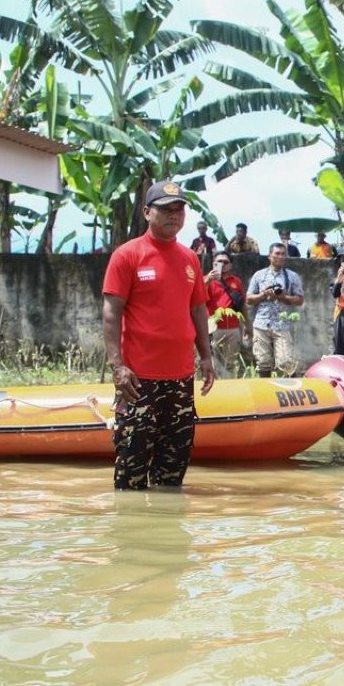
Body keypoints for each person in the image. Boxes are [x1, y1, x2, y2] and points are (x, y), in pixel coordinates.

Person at [102, 180, 216, 490]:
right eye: (166, 210)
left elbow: (198, 311)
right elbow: (111, 313)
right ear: (147, 212)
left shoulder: (190, 259)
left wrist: (206, 356)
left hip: (180, 381)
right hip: (139, 381)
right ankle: (131, 533)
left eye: (179, 210)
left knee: (173, 472)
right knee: (131, 471)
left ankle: (168, 532)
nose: (174, 216)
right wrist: (117, 366)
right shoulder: (128, 255)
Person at [246, 243, 304, 377]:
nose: (281, 257)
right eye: (277, 253)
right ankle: (265, 394)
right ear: (269, 256)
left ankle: (288, 391)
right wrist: (263, 295)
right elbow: (248, 299)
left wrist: (282, 297)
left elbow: (300, 300)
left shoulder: (292, 276)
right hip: (261, 323)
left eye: (283, 254)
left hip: (282, 324)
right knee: (263, 362)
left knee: (286, 362)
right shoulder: (259, 275)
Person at [204, 251, 246, 378]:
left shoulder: (236, 281)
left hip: (233, 328)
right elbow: (198, 299)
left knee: (231, 362)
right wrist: (207, 281)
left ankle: (230, 388)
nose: (222, 264)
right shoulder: (206, 280)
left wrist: (246, 326)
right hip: (213, 327)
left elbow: (242, 304)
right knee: (215, 362)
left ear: (230, 265)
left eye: (226, 262)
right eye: (219, 262)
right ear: (213, 264)